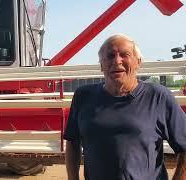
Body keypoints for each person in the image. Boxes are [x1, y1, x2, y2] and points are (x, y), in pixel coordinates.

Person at [64, 34, 186, 180]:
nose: (117, 61)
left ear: (138, 62)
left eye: (124, 55)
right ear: (101, 65)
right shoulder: (83, 96)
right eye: (109, 56)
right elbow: (72, 140)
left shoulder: (158, 97)